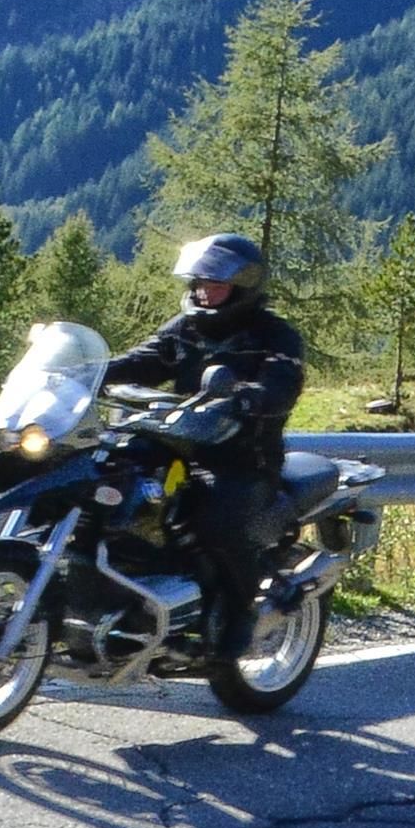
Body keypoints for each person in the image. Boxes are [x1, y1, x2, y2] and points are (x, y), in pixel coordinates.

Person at [106, 233, 307, 657]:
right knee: (110, 480)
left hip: (242, 458)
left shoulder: (276, 336)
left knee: (217, 520)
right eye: (199, 283)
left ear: (243, 287)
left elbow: (282, 387)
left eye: (215, 285)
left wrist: (246, 396)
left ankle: (240, 615)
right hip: (177, 442)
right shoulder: (186, 328)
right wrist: (91, 372)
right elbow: (145, 359)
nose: (203, 292)